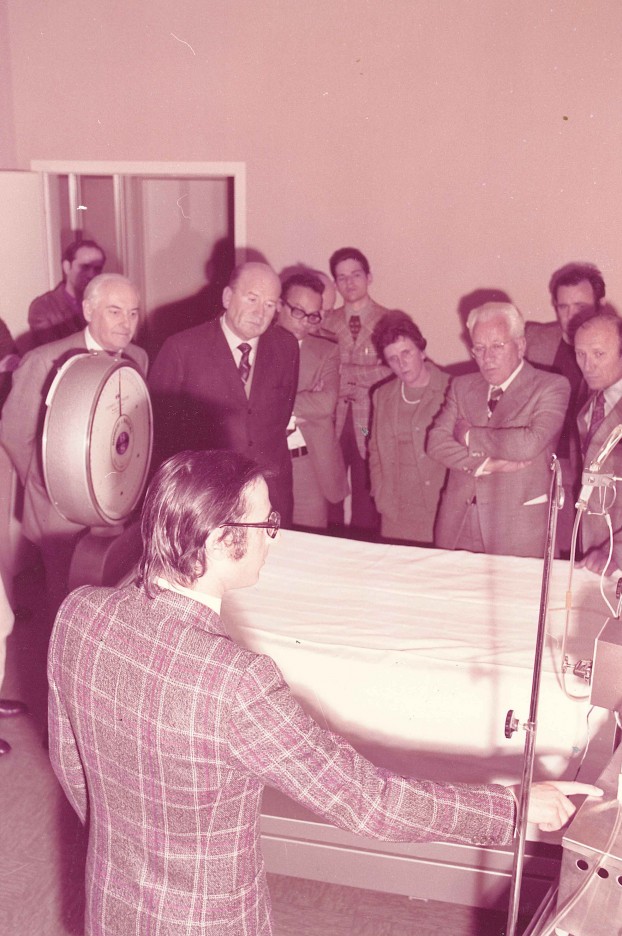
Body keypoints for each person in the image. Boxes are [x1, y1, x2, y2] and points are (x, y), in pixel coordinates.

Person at [47, 448, 601, 936]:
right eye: (267, 523)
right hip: (208, 922)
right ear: (219, 541)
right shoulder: (235, 682)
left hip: (111, 902)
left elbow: (71, 767)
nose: (275, 536)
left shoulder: (80, 615)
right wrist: (513, 807)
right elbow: (369, 803)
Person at [0, 273, 147, 613]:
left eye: (133, 313)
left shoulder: (138, 357)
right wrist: (48, 482)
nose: (126, 323)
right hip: (60, 513)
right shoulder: (44, 360)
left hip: (114, 505)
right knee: (64, 603)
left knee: (108, 596)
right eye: (114, 311)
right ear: (88, 310)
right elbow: (14, 433)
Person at [148, 261, 299, 525]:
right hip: (204, 498)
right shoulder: (182, 349)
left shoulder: (286, 347)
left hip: (271, 492)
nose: (260, 313)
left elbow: (281, 415)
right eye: (252, 299)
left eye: (269, 304)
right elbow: (159, 432)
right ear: (228, 297)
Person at [427, 302, 570, 558]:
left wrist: (469, 435)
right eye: (479, 348)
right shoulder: (461, 386)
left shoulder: (551, 386)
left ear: (521, 345)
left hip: (517, 529)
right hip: (458, 524)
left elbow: (528, 444)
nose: (487, 357)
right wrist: (485, 464)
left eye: (497, 346)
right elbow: (436, 442)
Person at [525, 262, 606, 553]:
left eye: (581, 307)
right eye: (563, 307)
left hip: (593, 470)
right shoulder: (533, 340)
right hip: (540, 466)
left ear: (599, 305)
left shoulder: (615, 345)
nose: (571, 317)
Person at [323, 247, 390, 535]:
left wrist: (347, 373)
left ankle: (365, 546)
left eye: (356, 275)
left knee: (366, 490)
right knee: (331, 492)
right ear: (335, 283)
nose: (349, 282)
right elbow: (321, 371)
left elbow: (392, 369)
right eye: (342, 277)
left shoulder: (389, 320)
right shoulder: (326, 322)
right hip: (333, 422)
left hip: (367, 423)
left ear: (369, 277)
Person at [369, 311, 449, 544]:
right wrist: (380, 493)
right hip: (395, 509)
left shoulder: (451, 388)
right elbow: (374, 449)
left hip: (438, 506)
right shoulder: (382, 395)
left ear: (421, 351)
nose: (401, 364)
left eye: (406, 353)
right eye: (393, 358)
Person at [278, 272, 348, 529]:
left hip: (307, 463)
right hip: (265, 463)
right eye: (298, 311)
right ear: (279, 305)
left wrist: (276, 406)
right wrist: (305, 404)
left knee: (311, 539)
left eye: (313, 316)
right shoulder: (255, 347)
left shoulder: (326, 350)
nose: (305, 323)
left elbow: (326, 403)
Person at [573, 309, 622, 575]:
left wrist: (616, 553)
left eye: (599, 354)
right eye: (581, 354)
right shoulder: (589, 405)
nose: (587, 365)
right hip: (593, 554)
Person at [28, 239, 106, 346]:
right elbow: (50, 350)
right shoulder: (44, 307)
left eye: (97, 269)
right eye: (85, 267)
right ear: (67, 267)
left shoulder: (105, 302)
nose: (91, 275)